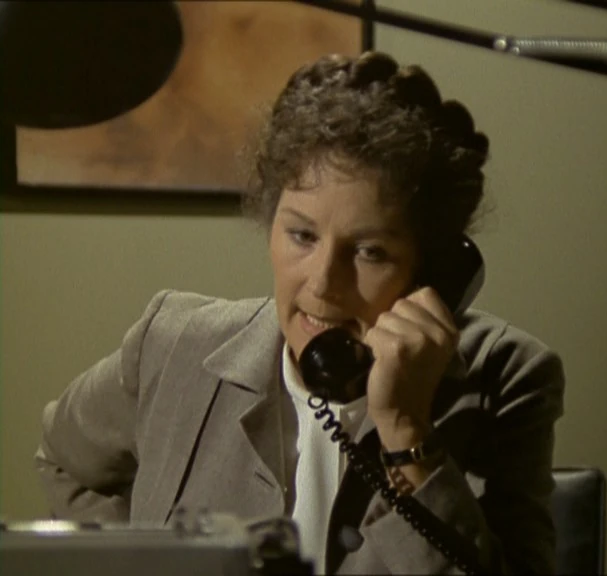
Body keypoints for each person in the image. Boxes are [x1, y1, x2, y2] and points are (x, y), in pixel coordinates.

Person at [35, 51, 565, 575]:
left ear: (429, 271)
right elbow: (63, 460)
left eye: (370, 251)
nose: (322, 283)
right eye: (302, 235)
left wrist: (407, 432)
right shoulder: (172, 345)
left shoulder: (507, 376)